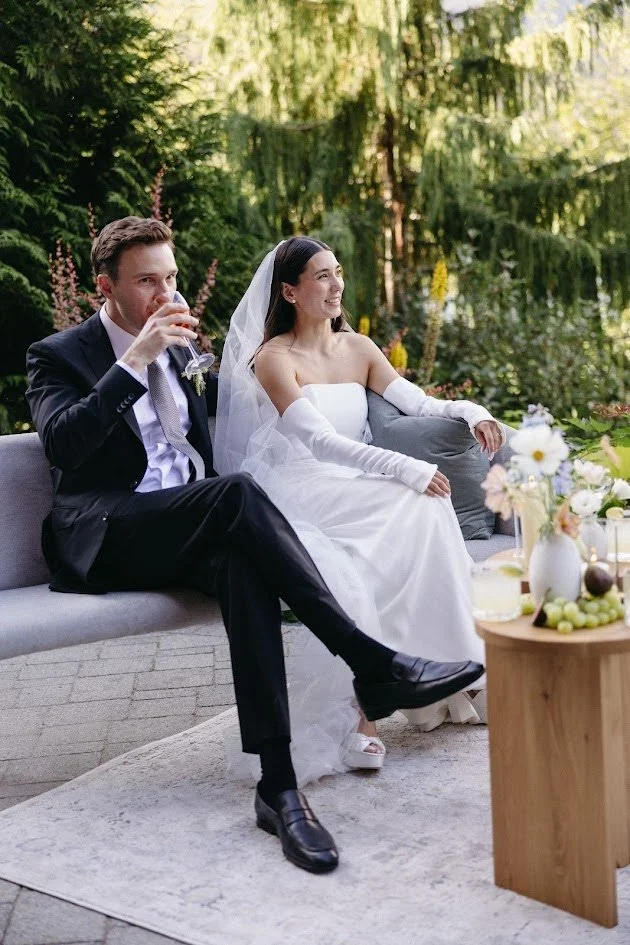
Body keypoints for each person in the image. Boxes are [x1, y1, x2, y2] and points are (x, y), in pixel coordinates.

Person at [26, 217, 483, 876]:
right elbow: (65, 444)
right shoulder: (59, 354)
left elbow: (201, 450)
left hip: (182, 523)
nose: (165, 293)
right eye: (147, 281)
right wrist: (135, 361)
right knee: (235, 496)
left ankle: (279, 788)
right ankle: (373, 661)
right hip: (103, 533)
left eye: (172, 278)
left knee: (243, 554)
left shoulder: (185, 350)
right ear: (105, 286)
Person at [215, 236, 504, 776]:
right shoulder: (272, 359)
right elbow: (318, 442)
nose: (337, 284)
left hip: (356, 482)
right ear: (290, 291)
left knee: (425, 509)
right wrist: (403, 468)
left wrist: (471, 410)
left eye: (337, 272)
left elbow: (418, 402)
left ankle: (454, 673)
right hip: (300, 485)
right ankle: (359, 716)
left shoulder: (360, 348)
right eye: (322, 276)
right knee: (409, 507)